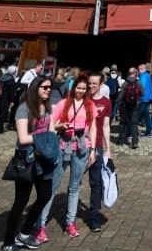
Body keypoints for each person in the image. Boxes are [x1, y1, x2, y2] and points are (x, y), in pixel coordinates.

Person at [0, 75, 60, 251]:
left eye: (50, 87)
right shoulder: (24, 109)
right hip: (27, 160)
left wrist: (54, 134)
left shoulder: (47, 107)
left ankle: (24, 234)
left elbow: (51, 129)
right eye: (45, 87)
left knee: (45, 195)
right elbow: (24, 138)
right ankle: (7, 245)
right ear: (36, 88)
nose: (48, 90)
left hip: (44, 159)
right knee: (20, 202)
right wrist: (45, 139)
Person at [35, 72, 97, 240]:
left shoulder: (90, 105)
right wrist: (61, 126)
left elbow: (92, 127)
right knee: (53, 187)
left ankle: (70, 222)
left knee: (75, 187)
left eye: (84, 89)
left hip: (81, 148)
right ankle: (40, 225)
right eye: (79, 88)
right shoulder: (63, 103)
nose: (81, 91)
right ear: (73, 87)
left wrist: (93, 150)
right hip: (63, 146)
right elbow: (51, 125)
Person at [83, 70, 113, 232]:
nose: (91, 86)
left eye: (94, 83)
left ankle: (94, 216)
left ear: (101, 84)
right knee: (75, 183)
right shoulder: (82, 99)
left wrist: (108, 148)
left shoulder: (106, 102)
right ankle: (70, 216)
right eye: (89, 83)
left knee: (96, 183)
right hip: (81, 145)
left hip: (99, 144)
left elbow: (106, 126)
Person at [116, 67, 140, 148]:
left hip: (125, 105)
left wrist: (118, 106)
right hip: (135, 106)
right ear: (136, 73)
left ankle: (121, 140)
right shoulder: (138, 83)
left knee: (123, 122)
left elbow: (120, 96)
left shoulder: (125, 83)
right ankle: (135, 142)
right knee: (133, 124)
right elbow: (143, 93)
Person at [137, 63, 152, 137]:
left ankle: (130, 132)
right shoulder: (149, 76)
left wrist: (136, 92)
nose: (138, 71)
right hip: (148, 98)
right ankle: (148, 131)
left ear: (142, 69)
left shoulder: (143, 76)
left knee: (137, 115)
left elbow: (142, 86)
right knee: (146, 115)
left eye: (139, 69)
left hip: (143, 98)